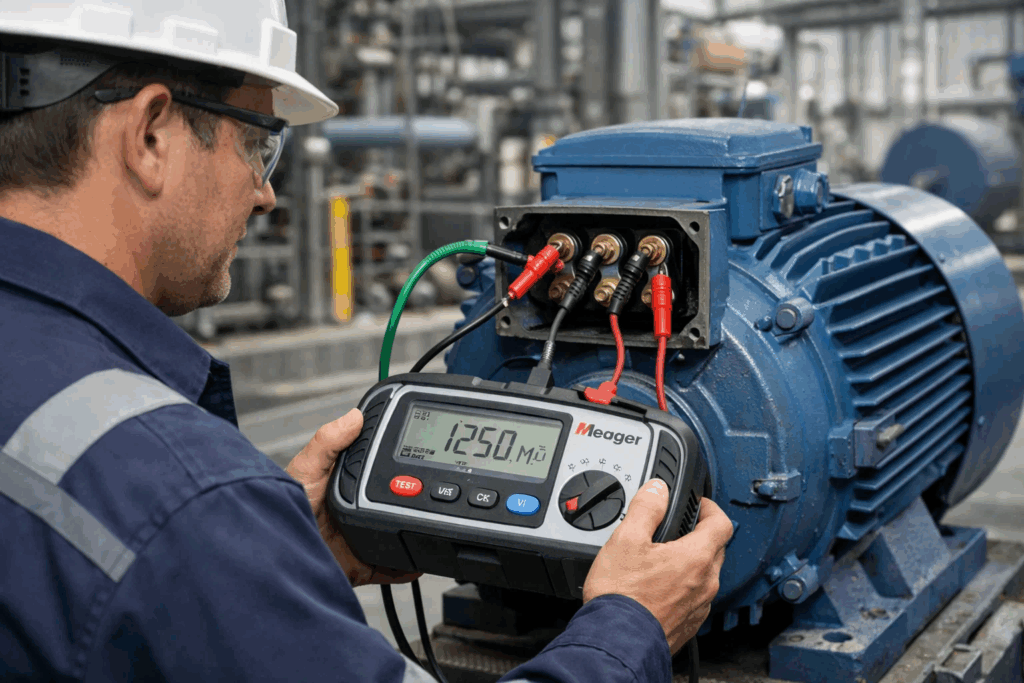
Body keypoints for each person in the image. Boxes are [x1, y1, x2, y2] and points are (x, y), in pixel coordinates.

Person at [0, 2, 733, 682]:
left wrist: (269, 568)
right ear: (151, 133)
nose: (266, 193)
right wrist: (630, 625)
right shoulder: (183, 501)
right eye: (259, 144)